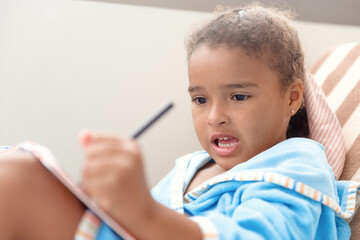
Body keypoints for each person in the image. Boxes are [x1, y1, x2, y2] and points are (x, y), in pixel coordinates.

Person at [0, 4, 355, 240]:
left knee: (19, 179)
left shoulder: (297, 165)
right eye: (200, 99)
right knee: (14, 165)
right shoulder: (189, 169)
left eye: (239, 96)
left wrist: (142, 210)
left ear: (292, 97)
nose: (215, 116)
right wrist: (109, 200)